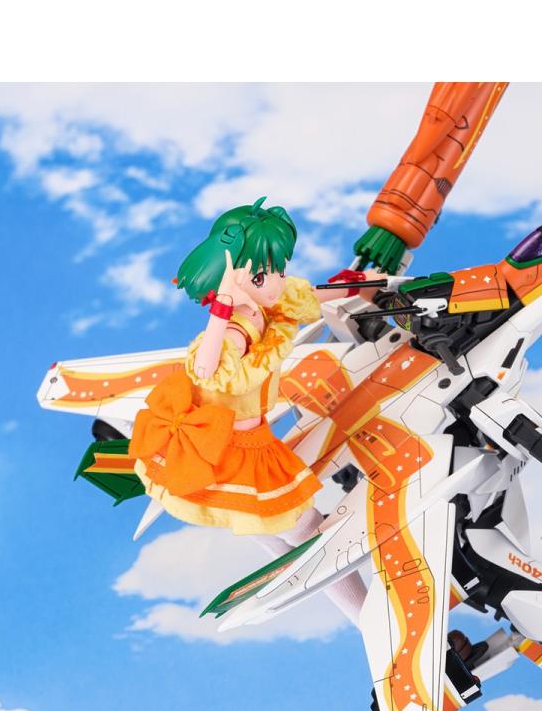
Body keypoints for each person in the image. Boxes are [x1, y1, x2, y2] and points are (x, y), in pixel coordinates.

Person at [128, 198, 377, 588]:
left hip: (251, 439)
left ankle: (300, 577)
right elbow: (205, 368)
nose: (276, 282)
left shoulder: (268, 307)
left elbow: (308, 295)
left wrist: (360, 284)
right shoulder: (232, 331)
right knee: (306, 531)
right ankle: (354, 607)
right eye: (261, 276)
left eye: (278, 270)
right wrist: (222, 306)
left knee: (275, 529)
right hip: (229, 451)